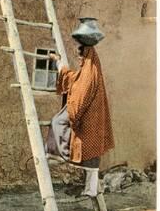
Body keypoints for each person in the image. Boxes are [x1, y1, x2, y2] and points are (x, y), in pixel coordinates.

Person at [46, 44, 115, 197]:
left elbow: (80, 93)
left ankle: (60, 154)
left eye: (81, 56)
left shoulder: (90, 75)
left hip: (88, 118)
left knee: (59, 122)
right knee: (92, 154)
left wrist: (73, 115)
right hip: (94, 120)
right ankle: (91, 190)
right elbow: (73, 79)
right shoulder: (89, 71)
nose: (79, 59)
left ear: (87, 56)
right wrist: (59, 62)